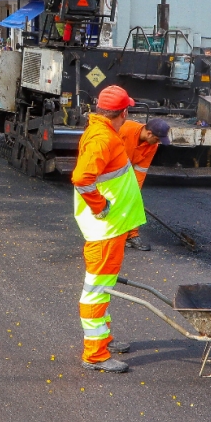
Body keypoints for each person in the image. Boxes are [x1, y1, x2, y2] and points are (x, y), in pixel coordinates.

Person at [71, 85, 148, 374]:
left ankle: (102, 340)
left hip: (111, 228)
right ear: (124, 112)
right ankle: (95, 354)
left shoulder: (101, 131)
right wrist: (99, 205)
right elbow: (82, 178)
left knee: (103, 289)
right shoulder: (103, 138)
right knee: (97, 290)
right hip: (105, 229)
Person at [118, 117, 171, 251]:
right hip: (110, 171)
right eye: (157, 139)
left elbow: (141, 170)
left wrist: (134, 192)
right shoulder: (125, 129)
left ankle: (132, 235)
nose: (157, 143)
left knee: (134, 201)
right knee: (113, 205)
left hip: (127, 171)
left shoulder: (152, 146)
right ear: (149, 134)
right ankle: (115, 237)